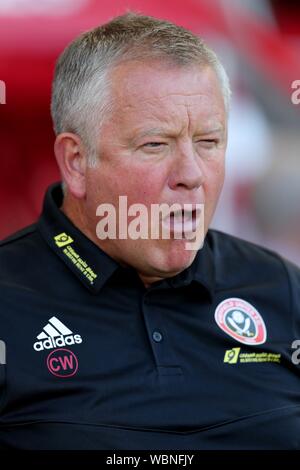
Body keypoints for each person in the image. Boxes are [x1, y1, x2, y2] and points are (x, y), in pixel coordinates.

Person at [0, 13, 300, 450]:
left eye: (208, 142)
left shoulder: (282, 288)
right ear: (76, 162)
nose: (191, 175)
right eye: (155, 144)